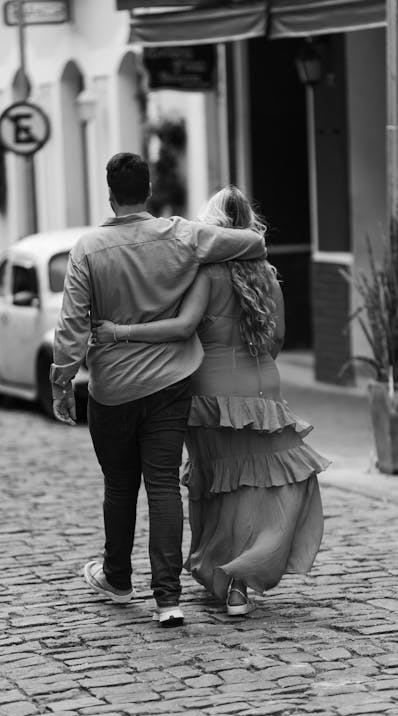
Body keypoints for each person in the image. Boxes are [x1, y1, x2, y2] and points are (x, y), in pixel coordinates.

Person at [92, 185, 329, 616]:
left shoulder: (205, 273)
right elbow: (276, 338)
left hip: (208, 392)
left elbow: (183, 328)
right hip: (261, 387)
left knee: (215, 483)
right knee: (257, 484)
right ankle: (238, 581)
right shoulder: (267, 273)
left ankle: (222, 573)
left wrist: (119, 333)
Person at [50, 154, 266, 628]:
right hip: (171, 383)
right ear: (148, 190)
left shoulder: (88, 249)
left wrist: (63, 383)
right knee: (164, 485)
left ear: (109, 194)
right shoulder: (183, 235)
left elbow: (70, 326)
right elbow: (252, 241)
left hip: (112, 389)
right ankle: (168, 598)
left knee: (120, 485)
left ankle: (117, 578)